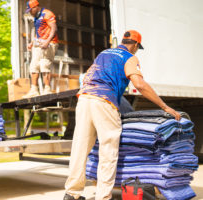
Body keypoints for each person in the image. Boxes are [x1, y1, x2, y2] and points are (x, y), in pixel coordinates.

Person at [63, 30, 181, 200]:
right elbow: (139, 84)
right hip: (104, 101)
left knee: (80, 148)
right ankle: (103, 197)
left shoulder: (104, 53)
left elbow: (87, 77)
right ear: (134, 45)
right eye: (137, 48)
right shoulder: (129, 57)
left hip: (84, 99)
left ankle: (71, 194)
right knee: (108, 151)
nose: (136, 50)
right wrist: (164, 106)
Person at [23, 0, 58, 98]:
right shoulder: (36, 17)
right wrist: (32, 42)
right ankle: (34, 90)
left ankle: (47, 89)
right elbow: (39, 32)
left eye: (31, 10)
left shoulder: (47, 14)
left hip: (50, 43)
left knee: (44, 64)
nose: (30, 12)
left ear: (35, 7)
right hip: (39, 43)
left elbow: (54, 29)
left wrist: (47, 41)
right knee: (34, 65)